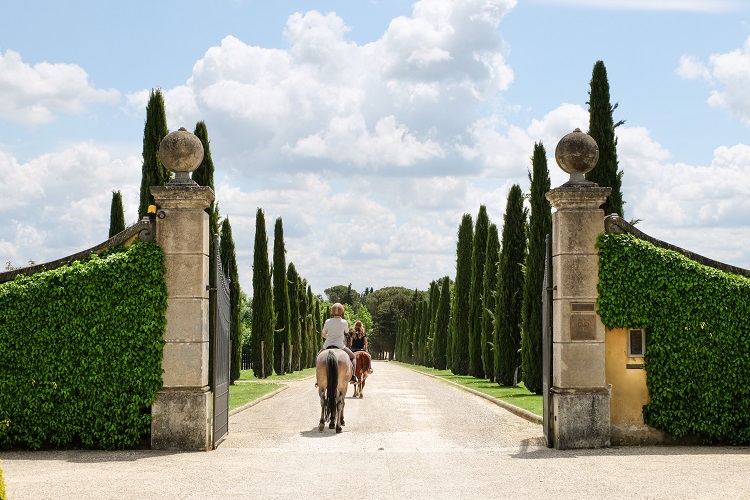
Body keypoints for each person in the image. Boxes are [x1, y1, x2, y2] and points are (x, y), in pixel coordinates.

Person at [321, 303, 358, 383]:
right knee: (353, 357)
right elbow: (346, 332)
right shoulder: (344, 322)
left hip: (327, 345)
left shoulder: (328, 321)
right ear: (342, 312)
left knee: (318, 357)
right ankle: (353, 376)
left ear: (332, 311)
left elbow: (323, 334)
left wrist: (330, 337)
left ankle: (318, 379)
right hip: (340, 345)